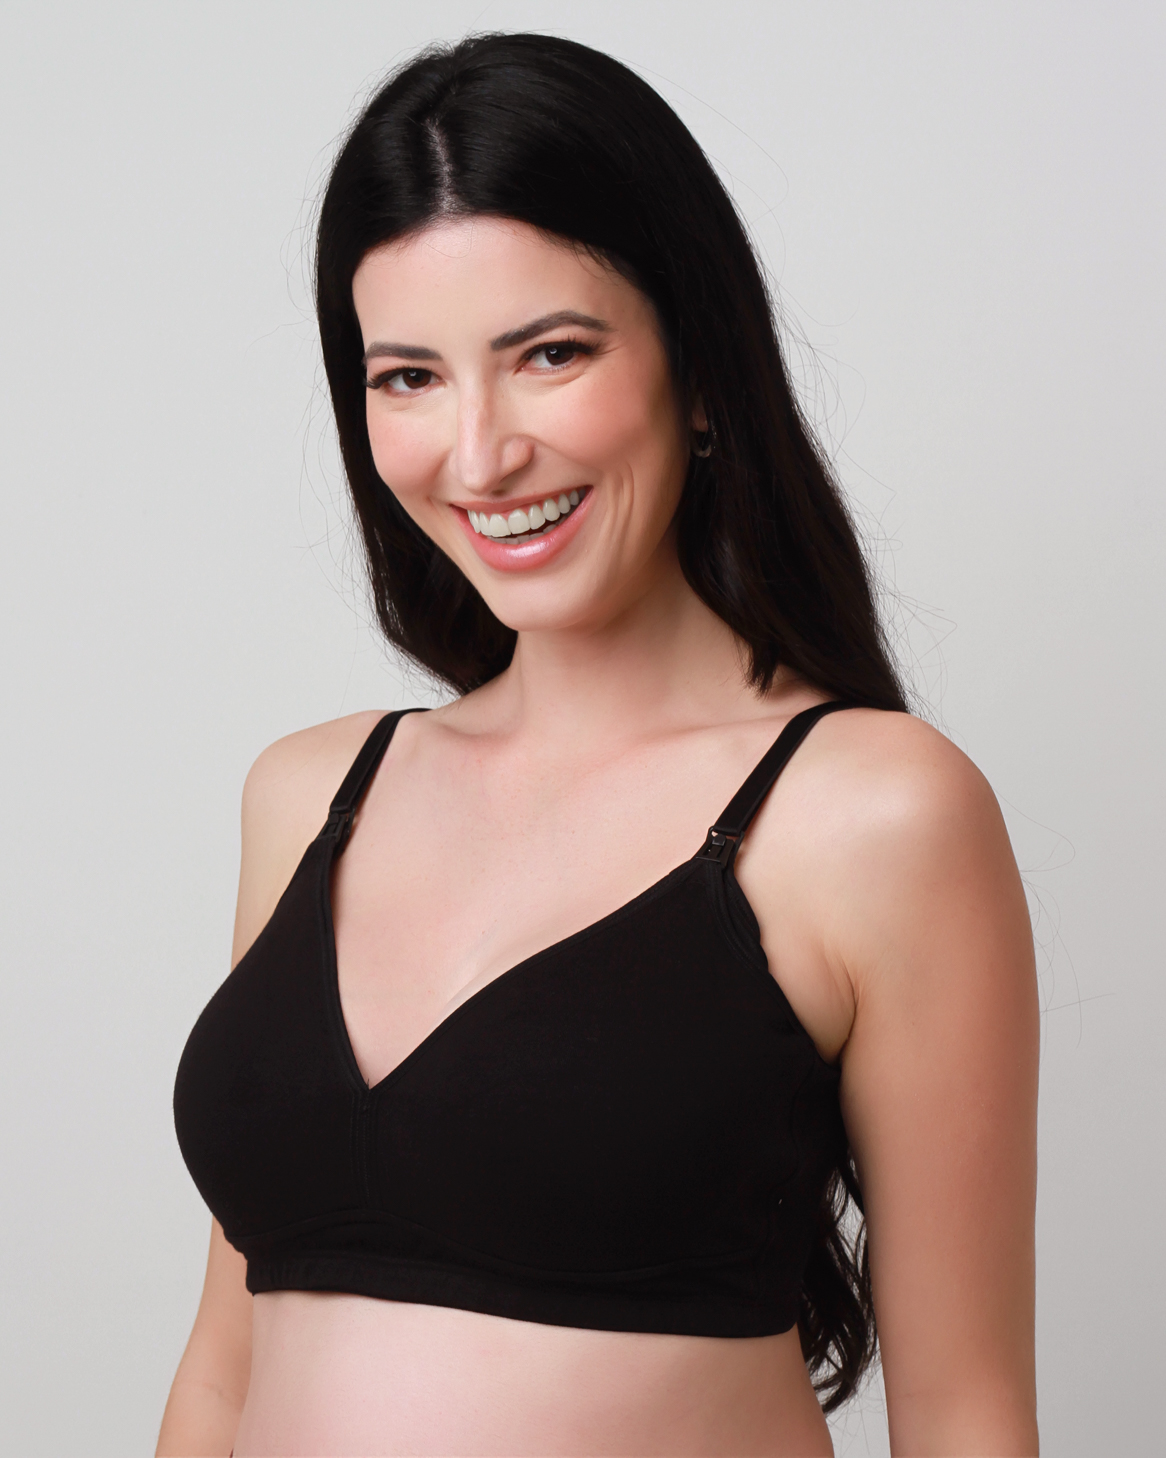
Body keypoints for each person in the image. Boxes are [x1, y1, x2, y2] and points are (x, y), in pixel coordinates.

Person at [158, 32, 1039, 1458]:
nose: (479, 453)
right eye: (408, 377)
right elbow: (221, 1367)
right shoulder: (311, 794)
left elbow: (964, 1412)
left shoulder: (870, 813)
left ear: (699, 371)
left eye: (549, 355)